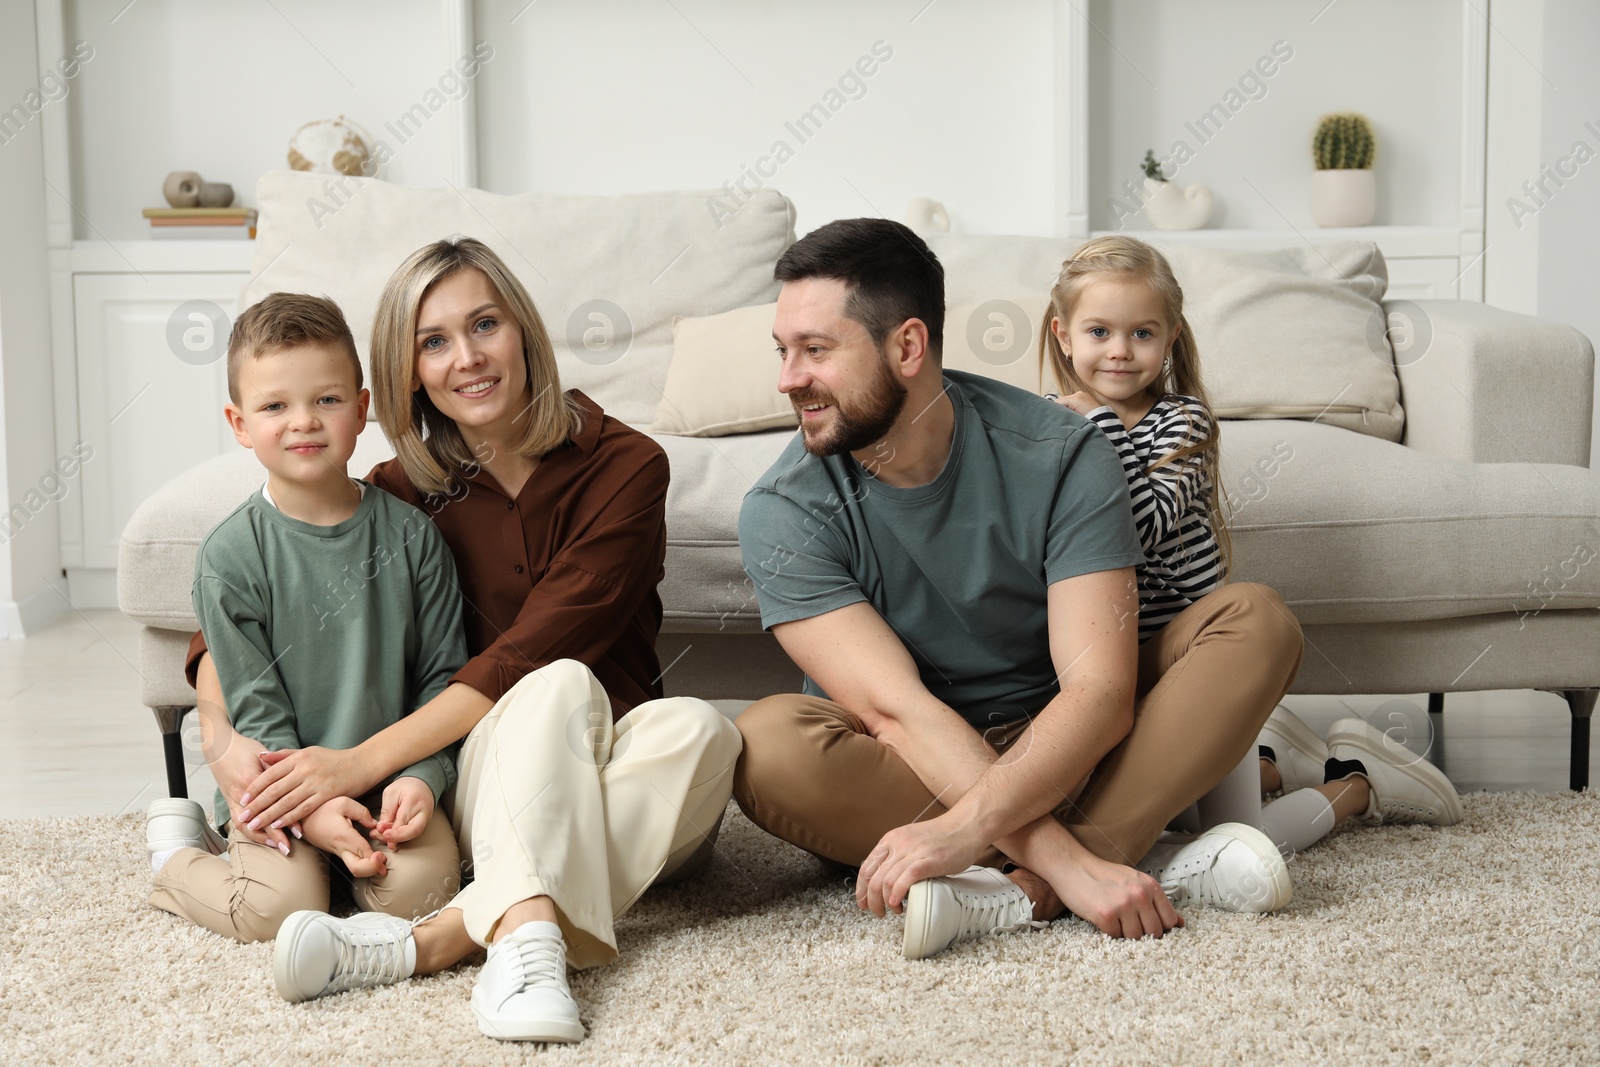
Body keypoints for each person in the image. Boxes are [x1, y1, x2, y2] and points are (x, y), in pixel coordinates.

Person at [178, 238, 742, 1044]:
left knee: (704, 729)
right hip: (486, 770)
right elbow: (236, 613)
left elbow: (537, 643)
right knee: (553, 686)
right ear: (407, 373)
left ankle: (426, 943)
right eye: (434, 340)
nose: (467, 358)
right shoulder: (405, 493)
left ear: (524, 333)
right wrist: (217, 727)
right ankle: (528, 950)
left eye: (485, 324)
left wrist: (356, 765)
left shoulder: (628, 465)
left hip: (615, 757)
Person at [734, 217, 1303, 961]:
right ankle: (1105, 858)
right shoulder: (782, 508)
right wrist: (1070, 865)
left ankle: (1011, 886)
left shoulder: (1062, 450)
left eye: (815, 350)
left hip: (1072, 745)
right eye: (783, 351)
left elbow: (1100, 692)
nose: (788, 378)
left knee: (1255, 620)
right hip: (913, 766)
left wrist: (968, 829)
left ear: (908, 347)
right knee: (765, 745)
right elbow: (896, 712)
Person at [1040, 235, 1463, 851]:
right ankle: (1276, 761)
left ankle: (1357, 785)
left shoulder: (1182, 422)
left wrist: (1096, 422)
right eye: (1099, 332)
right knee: (1161, 821)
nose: (1120, 353)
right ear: (1063, 335)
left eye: (1142, 334)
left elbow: (1141, 526)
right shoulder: (1048, 421)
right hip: (1104, 669)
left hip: (1191, 665)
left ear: (1172, 338)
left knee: (1238, 841)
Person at [145, 293, 466, 944]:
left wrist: (421, 780)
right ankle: (175, 862)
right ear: (239, 423)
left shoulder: (413, 537)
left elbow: (443, 681)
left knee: (424, 897)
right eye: (274, 406)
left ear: (361, 408)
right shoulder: (230, 557)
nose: (304, 423)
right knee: (281, 911)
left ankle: (350, 871)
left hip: (384, 779)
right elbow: (257, 715)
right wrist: (314, 813)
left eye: (326, 399)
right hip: (281, 784)